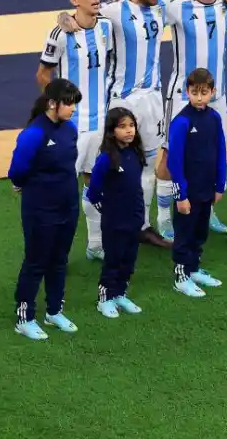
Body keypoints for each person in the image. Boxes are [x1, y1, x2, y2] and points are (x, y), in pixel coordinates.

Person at [57, 0, 200, 248]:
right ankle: (103, 236)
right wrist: (63, 17)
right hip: (123, 102)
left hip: (153, 101)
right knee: (114, 168)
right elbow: (82, 13)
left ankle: (142, 226)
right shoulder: (113, 10)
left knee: (149, 164)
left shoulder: (161, 2)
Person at [156, 0, 227, 241]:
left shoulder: (226, 6)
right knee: (169, 155)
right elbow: (150, 5)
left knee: (210, 153)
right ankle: (164, 217)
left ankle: (207, 209)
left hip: (217, 96)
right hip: (180, 97)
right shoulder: (179, 8)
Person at [38, 0, 112, 261]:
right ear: (73, 0)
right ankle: (54, 252)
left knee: (95, 185)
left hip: (101, 122)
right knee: (61, 193)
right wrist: (54, 109)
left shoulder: (107, 23)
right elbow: (43, 74)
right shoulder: (60, 34)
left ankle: (95, 245)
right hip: (72, 127)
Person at [9, 78, 83, 340]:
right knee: (36, 262)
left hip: (68, 206)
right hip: (40, 209)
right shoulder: (34, 134)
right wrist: (22, 184)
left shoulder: (69, 129)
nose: (73, 108)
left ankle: (54, 311)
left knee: (60, 260)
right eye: (69, 103)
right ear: (53, 104)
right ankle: (24, 317)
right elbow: (17, 170)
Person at [166, 68, 227, 297]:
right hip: (188, 192)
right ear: (187, 93)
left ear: (212, 92)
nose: (199, 97)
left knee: (200, 231)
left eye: (204, 92)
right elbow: (174, 162)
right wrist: (180, 195)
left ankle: (193, 268)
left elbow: (221, 151)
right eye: (194, 92)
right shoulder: (181, 122)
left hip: (207, 188)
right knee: (185, 233)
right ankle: (180, 275)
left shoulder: (214, 118)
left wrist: (220, 185)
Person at [86, 107, 146, 318]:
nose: (129, 131)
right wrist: (110, 210)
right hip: (114, 222)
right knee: (113, 259)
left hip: (134, 219)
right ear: (112, 131)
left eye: (131, 126)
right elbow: (93, 192)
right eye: (123, 127)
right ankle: (105, 298)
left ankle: (120, 293)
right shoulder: (106, 159)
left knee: (129, 259)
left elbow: (136, 186)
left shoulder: (135, 153)